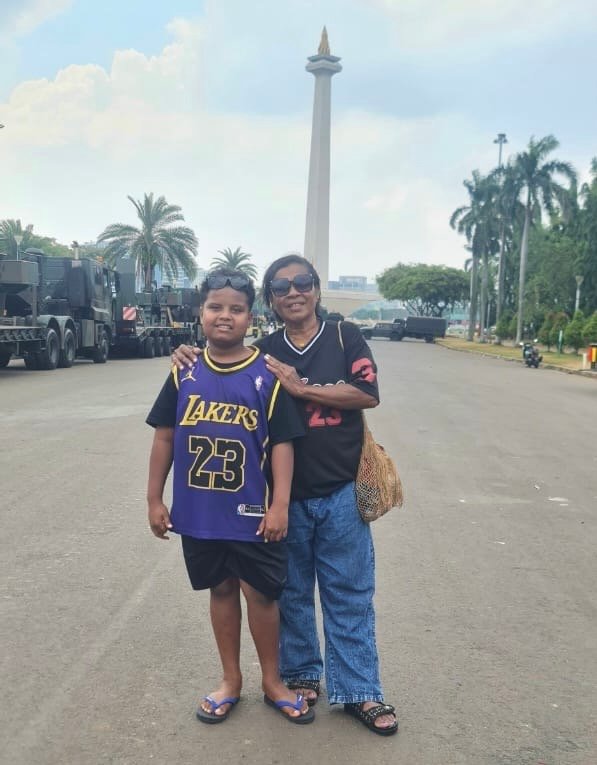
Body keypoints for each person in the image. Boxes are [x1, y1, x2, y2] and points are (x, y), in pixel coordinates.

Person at [172, 254, 398, 736]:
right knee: (288, 594)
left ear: (317, 289)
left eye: (302, 282)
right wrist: (185, 353)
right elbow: (220, 366)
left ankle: (360, 691)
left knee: (348, 596)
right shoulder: (264, 352)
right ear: (270, 301)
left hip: (340, 490)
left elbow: (367, 393)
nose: (293, 292)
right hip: (282, 498)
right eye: (281, 286)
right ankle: (300, 678)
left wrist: (303, 388)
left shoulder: (344, 336)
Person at [147, 267, 313, 725]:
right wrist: (154, 499)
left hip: (252, 514)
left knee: (261, 595)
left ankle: (273, 681)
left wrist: (280, 504)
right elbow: (164, 436)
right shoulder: (184, 371)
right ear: (200, 313)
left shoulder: (267, 375)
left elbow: (283, 444)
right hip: (199, 513)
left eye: (236, 309)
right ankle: (230, 680)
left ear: (250, 317)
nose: (225, 316)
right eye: (215, 307)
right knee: (220, 589)